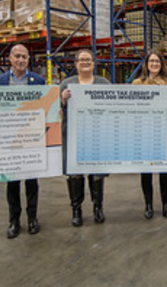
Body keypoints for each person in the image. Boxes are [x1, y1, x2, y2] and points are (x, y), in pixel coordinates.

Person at [0, 44, 45, 239]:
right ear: (10, 59)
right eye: (18, 56)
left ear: (28, 59)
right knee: (12, 182)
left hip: (31, 138)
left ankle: (32, 218)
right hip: (9, 140)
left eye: (24, 57)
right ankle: (14, 221)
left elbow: (46, 106)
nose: (21, 60)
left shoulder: (38, 81)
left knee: (32, 182)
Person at [60, 49, 111, 226]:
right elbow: (56, 110)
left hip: (96, 135)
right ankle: (76, 209)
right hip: (74, 136)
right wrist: (62, 100)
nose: (85, 62)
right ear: (76, 64)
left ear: (94, 63)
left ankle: (98, 207)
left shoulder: (103, 83)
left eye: (88, 59)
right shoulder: (66, 84)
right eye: (81, 60)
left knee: (97, 173)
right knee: (75, 174)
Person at [132, 50, 167, 219]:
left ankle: (166, 204)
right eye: (151, 61)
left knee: (164, 171)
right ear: (146, 64)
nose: (154, 64)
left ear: (162, 64)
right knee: (146, 172)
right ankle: (148, 205)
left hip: (164, 131)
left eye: (157, 61)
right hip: (145, 133)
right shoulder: (138, 83)